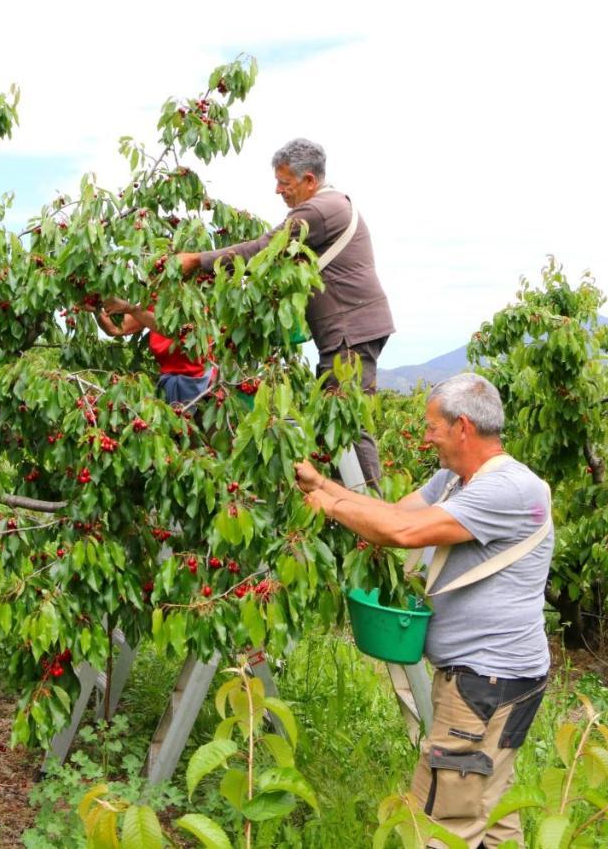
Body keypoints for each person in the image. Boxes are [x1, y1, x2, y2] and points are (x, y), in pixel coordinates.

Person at [295, 373, 553, 847]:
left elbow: (402, 534)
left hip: (487, 683)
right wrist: (323, 485)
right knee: (489, 808)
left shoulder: (510, 490)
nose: (425, 436)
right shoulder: (454, 480)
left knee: (442, 820)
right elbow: (395, 512)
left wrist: (327, 507)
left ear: (462, 428)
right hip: (494, 679)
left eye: (432, 426)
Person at [175, 138, 393, 487]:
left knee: (348, 422)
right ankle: (352, 505)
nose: (278, 190)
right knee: (334, 419)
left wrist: (197, 261)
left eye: (285, 183)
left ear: (309, 180)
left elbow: (264, 250)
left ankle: (371, 512)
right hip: (349, 329)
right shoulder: (332, 206)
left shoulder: (319, 210)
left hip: (350, 330)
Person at [88, 298, 215, 404]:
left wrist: (130, 308)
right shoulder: (156, 302)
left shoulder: (195, 299)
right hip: (170, 389)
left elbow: (178, 332)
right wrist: (96, 308)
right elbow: (115, 328)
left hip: (204, 387)